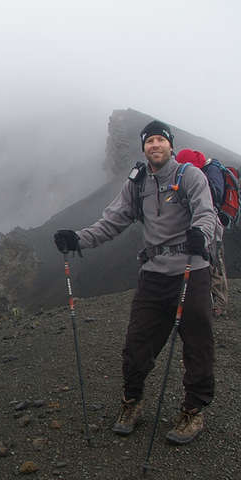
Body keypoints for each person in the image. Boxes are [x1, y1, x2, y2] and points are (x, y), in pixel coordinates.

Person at [54, 120, 216, 445]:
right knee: (137, 343)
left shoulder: (189, 176)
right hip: (154, 274)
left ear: (170, 145)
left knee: (197, 344)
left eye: (160, 140)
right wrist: (78, 240)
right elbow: (112, 220)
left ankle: (193, 411)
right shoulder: (138, 183)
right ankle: (132, 402)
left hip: (191, 270)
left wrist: (202, 233)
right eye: (149, 141)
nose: (155, 145)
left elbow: (205, 212)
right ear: (143, 147)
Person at [176, 149, 228, 317]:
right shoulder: (203, 172)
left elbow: (213, 198)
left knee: (214, 263)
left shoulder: (209, 173)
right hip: (201, 225)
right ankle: (205, 301)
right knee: (207, 262)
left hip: (212, 226)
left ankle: (219, 304)